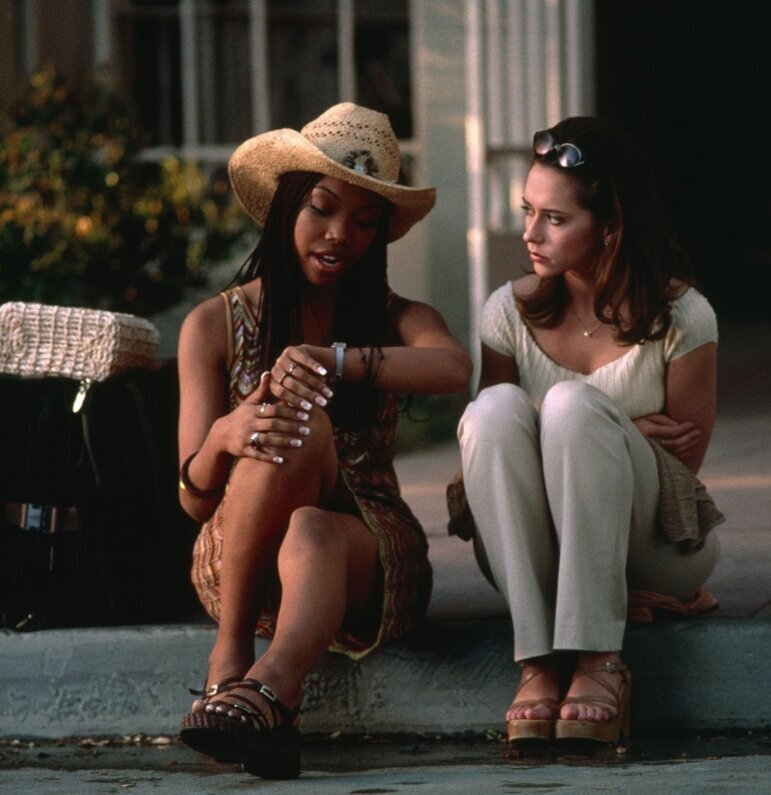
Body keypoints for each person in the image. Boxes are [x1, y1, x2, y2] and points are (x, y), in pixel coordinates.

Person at [175, 102, 472, 779]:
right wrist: (225, 435)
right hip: (242, 563)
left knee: (312, 519)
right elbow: (193, 500)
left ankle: (265, 687)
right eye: (323, 208)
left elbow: (454, 367)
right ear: (287, 206)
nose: (342, 235)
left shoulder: (396, 317)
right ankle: (238, 660)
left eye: (365, 221)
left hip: (368, 554)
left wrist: (334, 359)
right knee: (289, 424)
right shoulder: (212, 326)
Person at [457, 117, 723, 747]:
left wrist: (598, 426)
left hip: (654, 543)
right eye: (528, 211)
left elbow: (680, 474)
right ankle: (537, 663)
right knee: (493, 409)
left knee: (573, 406)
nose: (530, 233)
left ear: (611, 227)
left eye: (555, 219)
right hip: (534, 550)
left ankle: (600, 659)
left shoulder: (683, 315)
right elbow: (499, 452)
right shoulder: (508, 312)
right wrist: (624, 426)